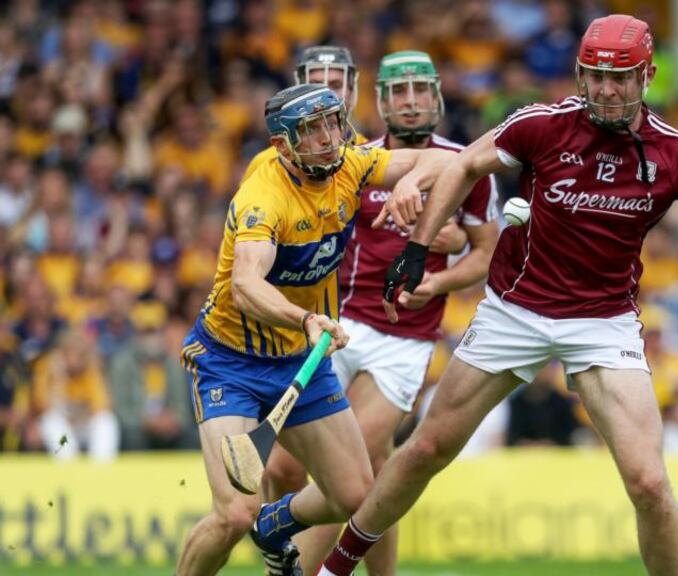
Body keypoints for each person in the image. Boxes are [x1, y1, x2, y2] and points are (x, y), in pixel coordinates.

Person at [321, 14, 678, 576]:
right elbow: (464, 164)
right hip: (516, 310)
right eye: (595, 76)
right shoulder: (541, 124)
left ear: (647, 76)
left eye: (621, 78)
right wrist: (418, 246)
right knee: (427, 449)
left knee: (650, 482)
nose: (606, 89)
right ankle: (335, 568)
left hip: (603, 324)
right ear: (580, 75)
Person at [175, 83, 456, 576]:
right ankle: (249, 524)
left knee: (355, 495)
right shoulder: (264, 198)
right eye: (313, 130)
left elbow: (437, 161)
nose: (329, 137)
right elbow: (245, 284)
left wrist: (411, 183)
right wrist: (305, 319)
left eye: (332, 122)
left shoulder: (349, 163)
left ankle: (273, 525)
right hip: (230, 363)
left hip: (300, 359)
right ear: (284, 145)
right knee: (232, 514)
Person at [260, 51, 499, 575]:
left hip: (405, 338)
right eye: (398, 92)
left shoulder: (467, 166)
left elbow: (486, 255)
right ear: (379, 100)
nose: (409, 102)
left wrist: (436, 281)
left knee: (358, 464)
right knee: (287, 467)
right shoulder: (355, 161)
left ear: (436, 96)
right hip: (342, 326)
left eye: (419, 90)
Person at [242, 45, 367, 184]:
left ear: (352, 92)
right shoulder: (264, 163)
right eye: (314, 86)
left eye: (335, 85)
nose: (323, 96)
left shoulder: (371, 153)